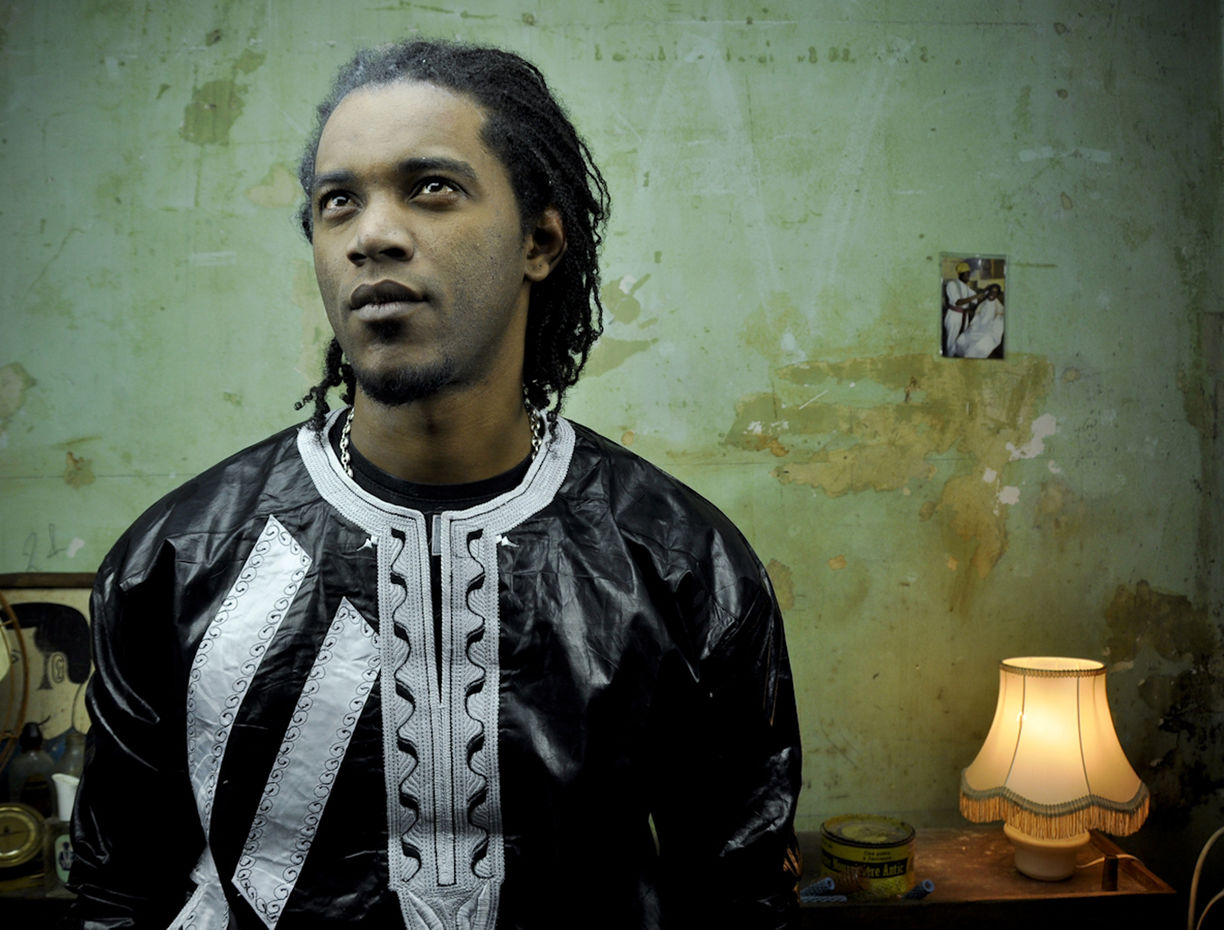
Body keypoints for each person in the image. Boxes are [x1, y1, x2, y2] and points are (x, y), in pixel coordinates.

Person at [68, 39, 801, 930]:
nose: (372, 235)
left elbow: (739, 895)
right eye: (338, 202)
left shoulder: (685, 566)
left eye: (431, 188)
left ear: (540, 240)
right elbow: (119, 894)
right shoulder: (179, 562)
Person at [952, 283, 1005, 358]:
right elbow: (976, 318)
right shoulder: (982, 304)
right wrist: (974, 326)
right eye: (990, 291)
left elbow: (998, 326)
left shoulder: (1000, 308)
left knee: (978, 344)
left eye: (995, 292)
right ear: (987, 292)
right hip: (977, 328)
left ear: (998, 294)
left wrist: (987, 329)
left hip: (989, 331)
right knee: (962, 338)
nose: (992, 294)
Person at [942, 260, 983, 355]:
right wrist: (975, 297)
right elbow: (957, 302)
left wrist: (985, 294)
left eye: (969, 274)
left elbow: (976, 300)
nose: (968, 277)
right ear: (959, 274)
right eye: (966, 274)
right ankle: (949, 358)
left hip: (964, 316)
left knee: (960, 340)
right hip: (954, 316)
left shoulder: (966, 288)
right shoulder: (952, 284)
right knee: (951, 341)